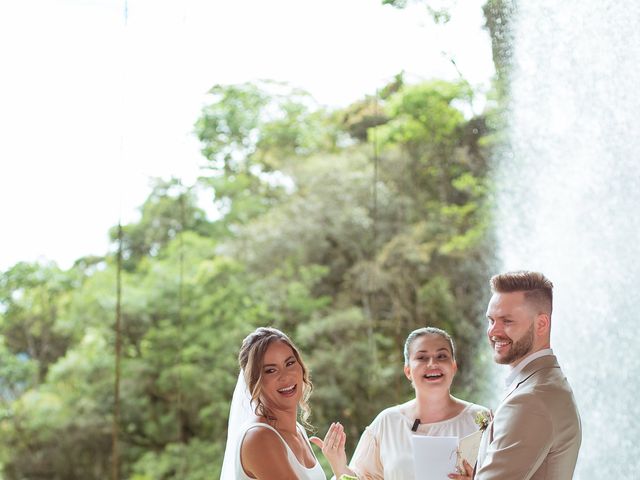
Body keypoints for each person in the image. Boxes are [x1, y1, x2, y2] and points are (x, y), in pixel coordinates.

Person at [450, 271, 581, 480]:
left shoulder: (531, 400)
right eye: (491, 320)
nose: (494, 331)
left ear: (541, 324)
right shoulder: (545, 383)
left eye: (507, 321)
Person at [317, 326, 490, 480]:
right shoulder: (387, 422)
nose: (433, 363)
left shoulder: (481, 419)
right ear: (408, 371)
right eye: (422, 357)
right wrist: (339, 466)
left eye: (441, 356)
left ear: (453, 367)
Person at [220, 326, 347, 480]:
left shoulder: (298, 431)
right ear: (254, 382)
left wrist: (340, 469)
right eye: (271, 371)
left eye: (289, 363)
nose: (285, 377)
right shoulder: (260, 438)